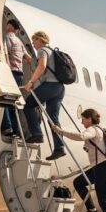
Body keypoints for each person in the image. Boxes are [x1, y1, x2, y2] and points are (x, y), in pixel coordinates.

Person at [52, 109, 106, 212]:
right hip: (99, 168)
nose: (82, 122)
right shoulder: (95, 131)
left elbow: (81, 136)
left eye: (83, 119)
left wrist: (61, 131)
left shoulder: (93, 129)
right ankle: (92, 210)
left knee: (104, 201)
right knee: (79, 182)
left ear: (89, 119)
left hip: (104, 168)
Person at [22, 30, 65, 160]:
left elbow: (42, 66)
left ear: (40, 40)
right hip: (59, 88)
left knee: (28, 105)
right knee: (53, 118)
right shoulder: (52, 51)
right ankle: (59, 148)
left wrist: (31, 82)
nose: (33, 43)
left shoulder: (42, 51)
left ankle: (37, 133)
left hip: (50, 86)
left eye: (34, 40)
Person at [1, 20, 31, 141]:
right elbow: (28, 58)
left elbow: (5, 53)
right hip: (19, 74)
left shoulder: (8, 38)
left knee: (5, 100)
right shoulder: (19, 41)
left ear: (9, 26)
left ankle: (7, 127)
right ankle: (16, 129)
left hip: (11, 72)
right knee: (14, 103)